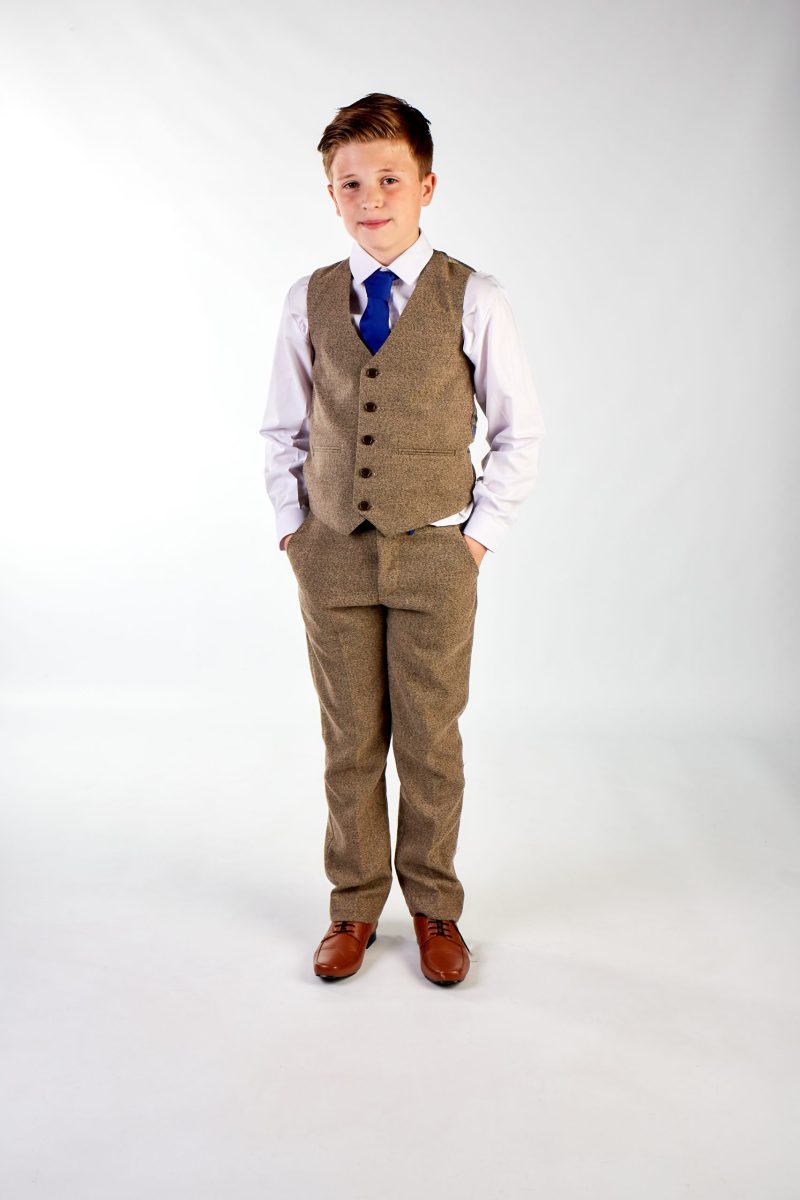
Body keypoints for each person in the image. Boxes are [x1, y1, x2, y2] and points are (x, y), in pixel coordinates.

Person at [259, 92, 546, 987]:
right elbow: (281, 428)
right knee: (349, 741)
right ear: (331, 195)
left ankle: (434, 908)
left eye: (389, 178)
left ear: (427, 186)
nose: (371, 197)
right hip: (332, 553)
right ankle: (352, 907)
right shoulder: (308, 298)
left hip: (435, 554)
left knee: (428, 742)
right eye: (351, 183)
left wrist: (477, 539)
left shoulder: (474, 297)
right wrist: (293, 531)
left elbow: (519, 432)